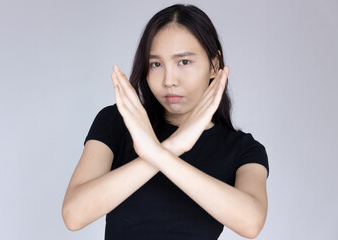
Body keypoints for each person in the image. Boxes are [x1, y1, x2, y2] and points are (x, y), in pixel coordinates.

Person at [62, 3, 269, 239]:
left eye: (184, 62)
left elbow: (251, 222)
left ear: (214, 66)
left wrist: (157, 153)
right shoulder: (118, 122)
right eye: (156, 64)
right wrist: (174, 147)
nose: (169, 80)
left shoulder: (242, 149)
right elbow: (74, 214)